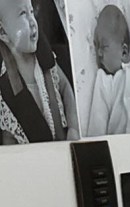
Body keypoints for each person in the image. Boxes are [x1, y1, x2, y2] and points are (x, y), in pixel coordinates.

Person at [0, 0, 79, 143]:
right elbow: (8, 134)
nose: (32, 21)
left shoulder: (45, 59)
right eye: (23, 14)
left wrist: (73, 128)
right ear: (3, 32)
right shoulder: (5, 84)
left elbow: (66, 88)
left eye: (32, 12)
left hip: (63, 144)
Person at [86, 3, 130, 136]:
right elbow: (97, 124)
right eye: (96, 46)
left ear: (124, 52)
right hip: (119, 146)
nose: (99, 53)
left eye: (104, 46)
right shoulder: (103, 79)